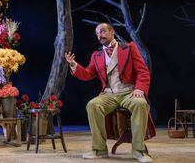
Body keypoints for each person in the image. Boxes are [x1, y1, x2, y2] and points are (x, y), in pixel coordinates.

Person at [65, 23, 156, 163]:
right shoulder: (97, 55)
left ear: (112, 32)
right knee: (93, 105)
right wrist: (73, 64)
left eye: (102, 31)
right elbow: (88, 74)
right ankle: (100, 149)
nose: (99, 35)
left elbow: (143, 72)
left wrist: (139, 89)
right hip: (109, 94)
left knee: (141, 104)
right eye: (97, 33)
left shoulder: (129, 48)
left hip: (128, 92)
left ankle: (138, 150)